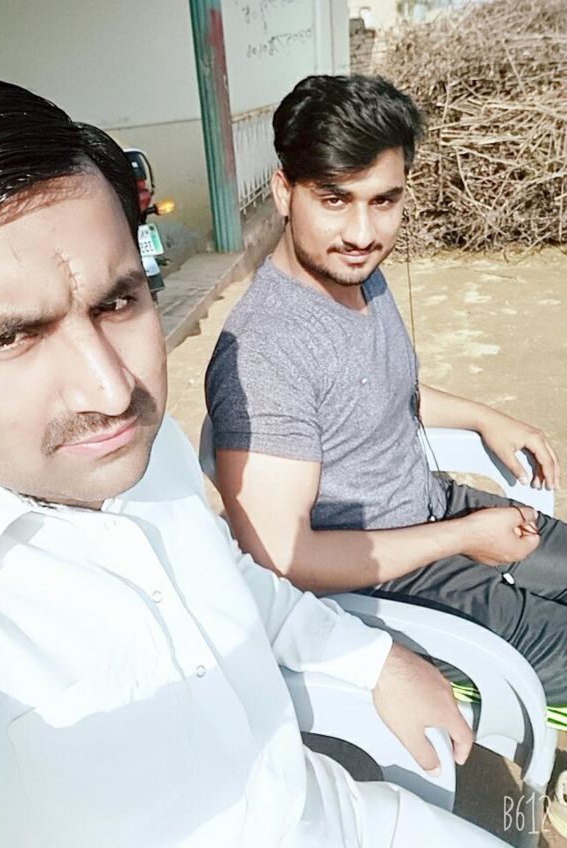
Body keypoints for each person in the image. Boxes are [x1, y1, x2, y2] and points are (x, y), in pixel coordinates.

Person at [0, 75, 511, 848]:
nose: (113, 390)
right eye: (10, 338)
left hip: (343, 816)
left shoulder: (145, 452)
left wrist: (373, 659)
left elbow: (232, 575)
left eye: (118, 303)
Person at [205, 74, 567, 706]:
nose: (362, 232)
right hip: (386, 584)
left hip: (440, 508)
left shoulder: (358, 275)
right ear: (285, 192)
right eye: (335, 199)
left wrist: (484, 418)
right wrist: (463, 538)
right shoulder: (266, 351)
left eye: (383, 201)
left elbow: (376, 389)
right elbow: (284, 558)